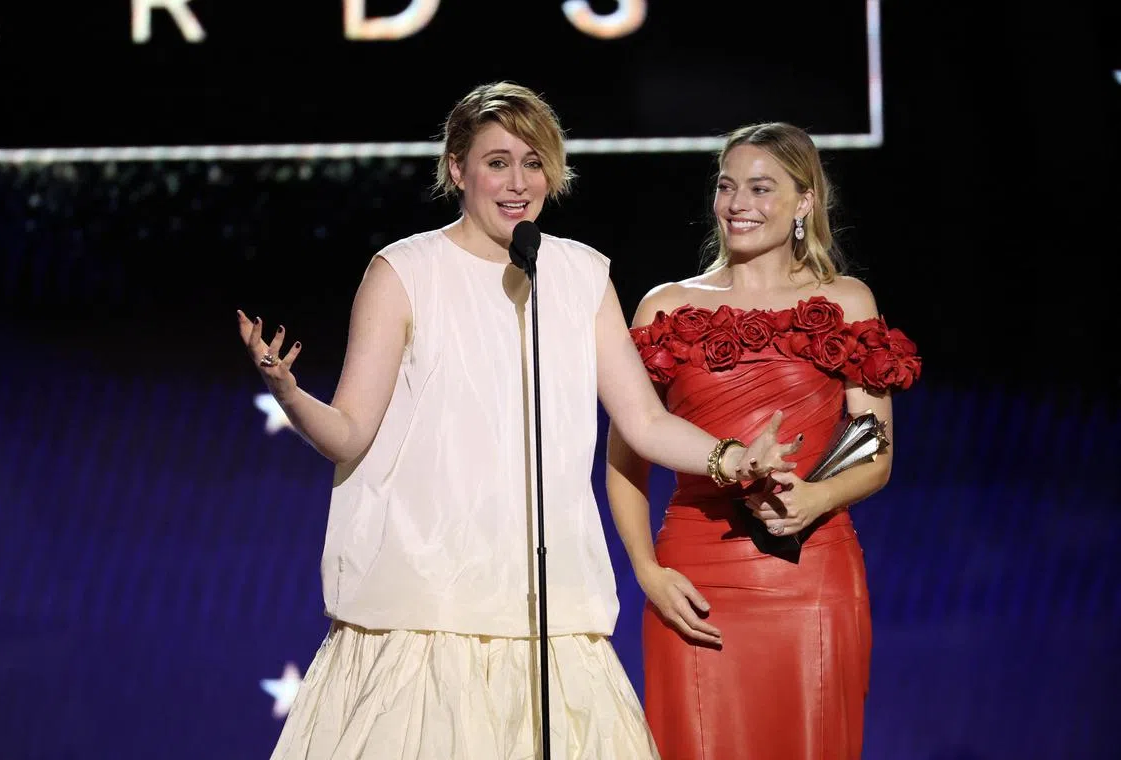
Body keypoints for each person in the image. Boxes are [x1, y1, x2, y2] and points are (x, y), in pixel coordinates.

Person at [235, 83, 799, 760]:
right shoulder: (405, 271)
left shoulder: (580, 273)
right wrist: (290, 392)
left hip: (551, 612)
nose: (518, 182)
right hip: (427, 610)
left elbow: (645, 421)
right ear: (457, 169)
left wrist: (731, 458)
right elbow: (349, 433)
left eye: (533, 163)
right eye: (497, 162)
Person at [606, 122, 922, 760]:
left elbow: (877, 453)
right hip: (695, 580)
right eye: (726, 186)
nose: (737, 203)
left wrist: (815, 498)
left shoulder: (846, 302)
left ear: (805, 201)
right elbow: (624, 461)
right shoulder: (665, 307)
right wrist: (647, 573)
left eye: (759, 187)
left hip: (812, 576)